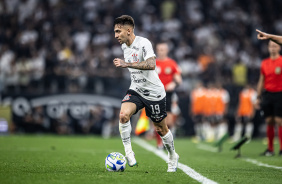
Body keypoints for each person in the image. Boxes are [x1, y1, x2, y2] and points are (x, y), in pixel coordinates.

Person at [113, 15, 179, 172]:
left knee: (161, 128)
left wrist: (126, 64)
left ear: (128, 30)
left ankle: (172, 155)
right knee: (123, 115)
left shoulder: (144, 43)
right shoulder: (124, 46)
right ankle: (128, 152)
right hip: (136, 89)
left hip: (154, 93)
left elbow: (151, 64)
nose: (115, 35)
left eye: (118, 31)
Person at [256, 40, 282, 156]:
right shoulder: (264, 63)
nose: (273, 48)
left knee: (279, 121)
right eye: (271, 46)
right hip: (267, 94)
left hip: (280, 94)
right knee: (269, 121)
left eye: (275, 46)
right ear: (268, 48)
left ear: (279, 48)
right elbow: (261, 80)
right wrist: (258, 96)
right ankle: (270, 149)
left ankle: (281, 149)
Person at [154, 42, 182, 149]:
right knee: (157, 119)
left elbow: (179, 79)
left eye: (162, 49)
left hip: (168, 94)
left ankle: (165, 139)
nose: (160, 51)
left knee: (169, 121)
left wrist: (174, 83)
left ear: (167, 50)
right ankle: (159, 144)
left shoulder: (172, 63)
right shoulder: (153, 63)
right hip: (155, 94)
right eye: (159, 49)